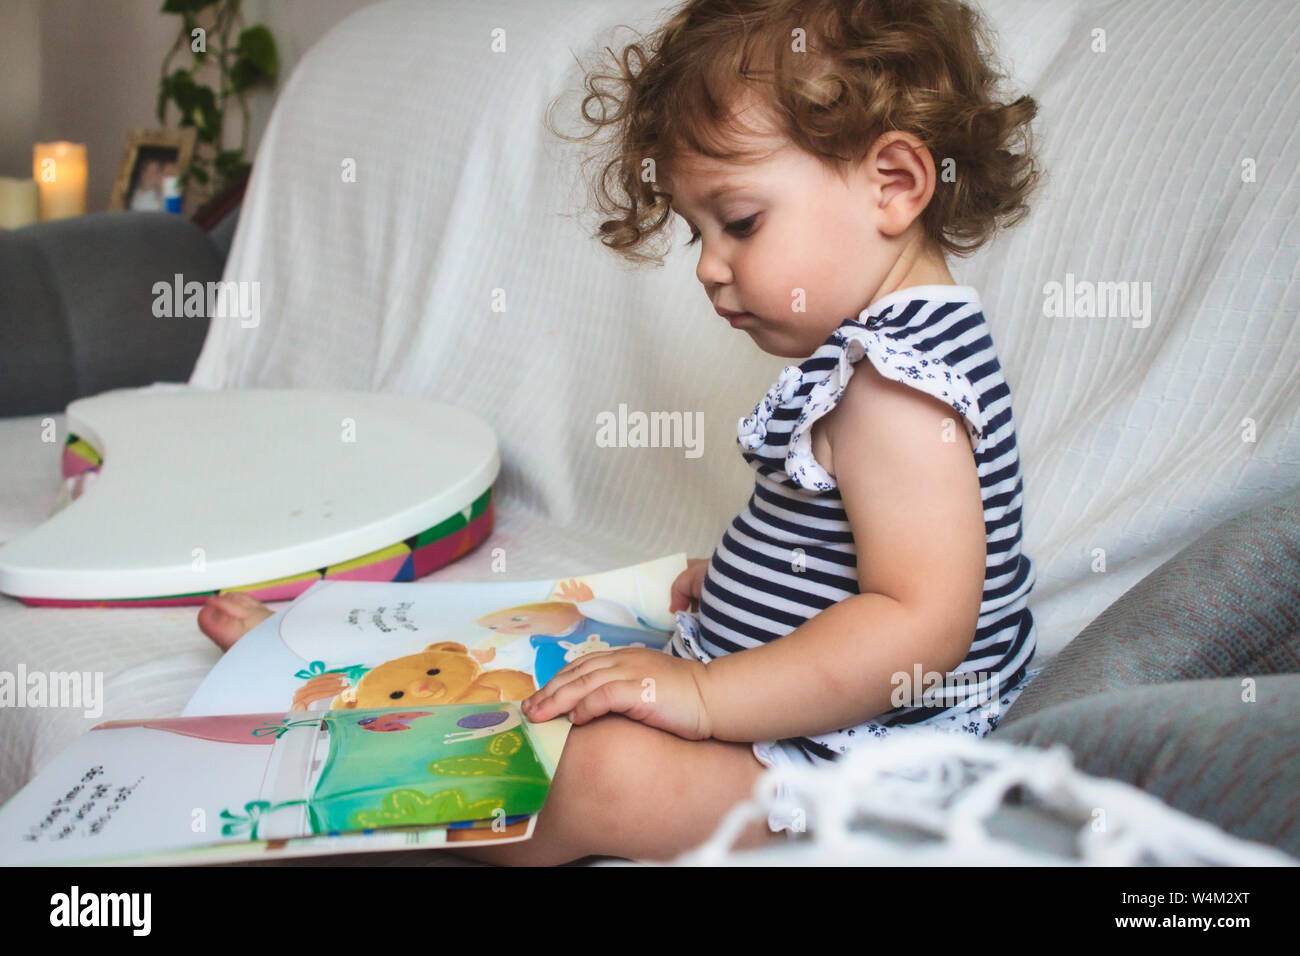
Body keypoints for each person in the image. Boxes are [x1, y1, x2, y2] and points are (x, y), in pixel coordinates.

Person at [198, 0, 1045, 865]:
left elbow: (921, 626)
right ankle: (329, 668)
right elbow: (862, 547)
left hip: (860, 760)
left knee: (594, 774)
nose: (711, 269)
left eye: (741, 222)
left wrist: (708, 697)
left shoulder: (895, 390)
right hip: (809, 712)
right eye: (696, 231)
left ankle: (341, 762)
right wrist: (754, 578)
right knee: (551, 650)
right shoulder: (888, 351)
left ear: (894, 183)